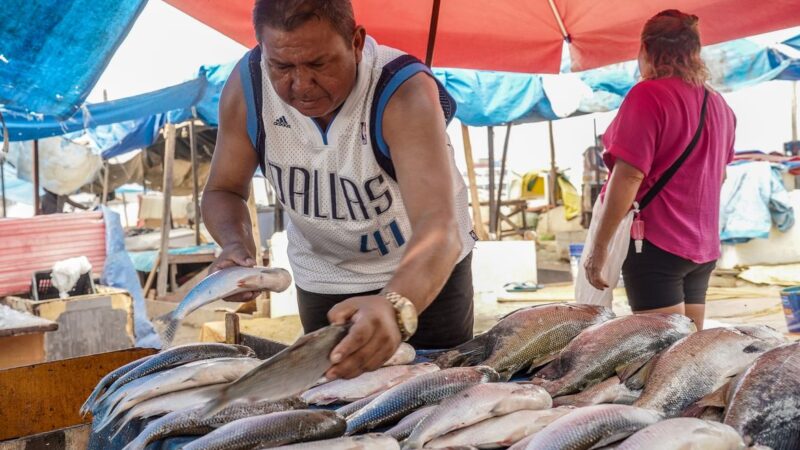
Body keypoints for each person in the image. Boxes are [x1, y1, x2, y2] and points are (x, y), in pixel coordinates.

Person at [202, 0, 476, 379]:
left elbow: (438, 228)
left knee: (437, 394)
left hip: (423, 275)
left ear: (356, 42)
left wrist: (396, 306)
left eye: (318, 64)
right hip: (324, 276)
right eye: (281, 67)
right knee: (331, 401)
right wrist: (235, 245)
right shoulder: (249, 86)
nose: (301, 85)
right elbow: (223, 189)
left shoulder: (402, 91)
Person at [583, 10, 736, 330]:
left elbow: (629, 176)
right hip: (702, 248)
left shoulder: (648, 95)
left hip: (655, 245)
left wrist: (600, 246)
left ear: (646, 49)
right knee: (688, 351)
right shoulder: (719, 105)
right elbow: (718, 176)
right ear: (695, 52)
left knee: (661, 354)